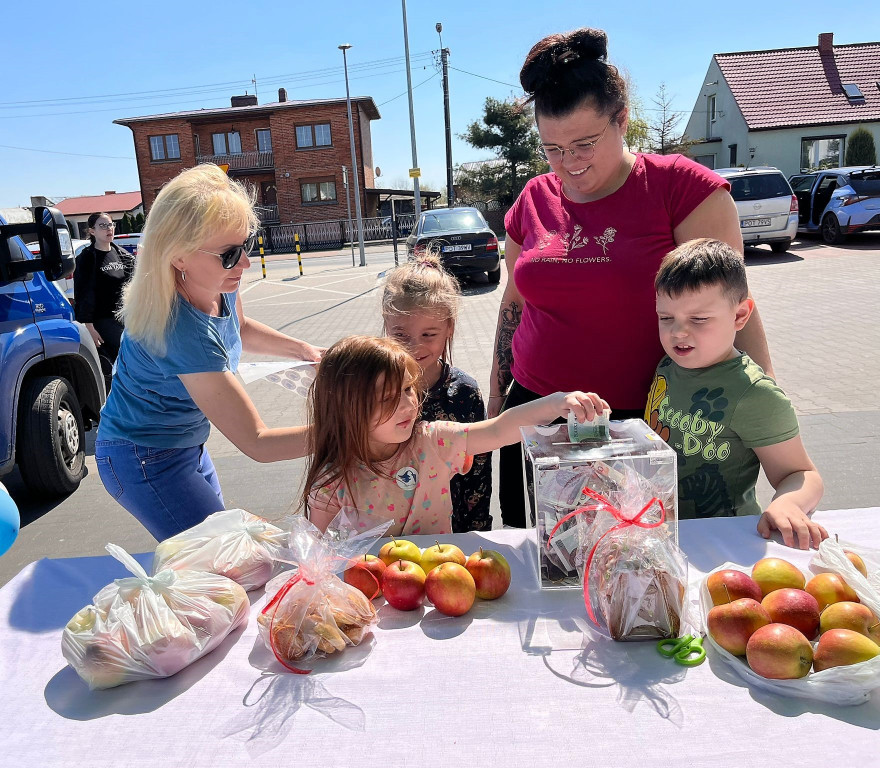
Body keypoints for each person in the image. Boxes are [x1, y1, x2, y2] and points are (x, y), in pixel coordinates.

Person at [489, 27, 775, 527]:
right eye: (552, 148)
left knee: (634, 569)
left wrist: (767, 409)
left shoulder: (682, 190)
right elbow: (514, 306)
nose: (568, 165)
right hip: (536, 415)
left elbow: (732, 309)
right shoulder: (533, 198)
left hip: (644, 422)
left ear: (622, 119)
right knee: (540, 567)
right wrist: (497, 411)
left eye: (583, 144)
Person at [95, 165, 322, 541]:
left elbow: (241, 329)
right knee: (222, 564)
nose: (245, 264)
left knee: (221, 562)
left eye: (246, 244)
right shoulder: (182, 331)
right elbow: (258, 442)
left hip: (185, 445)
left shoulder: (218, 280)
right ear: (178, 257)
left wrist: (304, 349)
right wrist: (353, 433)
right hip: (143, 459)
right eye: (230, 254)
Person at [304, 335, 608, 536]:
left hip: (442, 587)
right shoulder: (333, 483)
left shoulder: (433, 441)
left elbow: (499, 429)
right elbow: (322, 562)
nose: (408, 404)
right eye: (387, 398)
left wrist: (556, 403)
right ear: (346, 410)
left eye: (409, 389)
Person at [646, 238, 825, 549]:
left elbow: (802, 473)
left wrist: (787, 504)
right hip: (660, 535)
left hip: (724, 543)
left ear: (740, 316)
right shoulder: (667, 365)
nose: (678, 332)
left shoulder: (755, 394)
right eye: (666, 318)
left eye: (698, 319)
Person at [381, 253, 492, 532]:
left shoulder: (464, 393)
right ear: (385, 324)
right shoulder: (372, 389)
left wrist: (476, 534)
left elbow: (477, 475)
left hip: (449, 539)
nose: (414, 347)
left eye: (429, 335)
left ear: (449, 328)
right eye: (401, 335)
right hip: (384, 534)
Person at [74, 212, 132, 387]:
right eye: (103, 226)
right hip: (104, 320)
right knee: (125, 359)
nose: (109, 229)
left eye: (111, 224)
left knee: (136, 358)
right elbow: (83, 294)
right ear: (92, 231)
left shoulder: (120, 253)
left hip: (126, 318)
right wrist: (89, 327)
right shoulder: (86, 259)